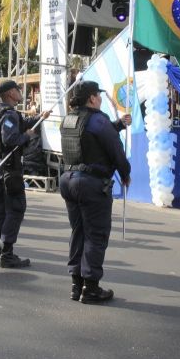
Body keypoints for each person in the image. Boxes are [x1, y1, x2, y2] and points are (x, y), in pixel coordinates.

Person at [60, 81, 131, 304]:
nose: (100, 99)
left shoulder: (69, 119)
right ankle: (91, 288)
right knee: (96, 235)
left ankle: (76, 284)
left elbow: (89, 139)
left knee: (78, 232)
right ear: (91, 98)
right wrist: (125, 172)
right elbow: (114, 149)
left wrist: (117, 124)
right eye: (98, 96)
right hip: (90, 182)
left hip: (68, 179)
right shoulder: (98, 119)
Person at [0, 80, 50, 268]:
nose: (21, 92)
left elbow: (20, 122)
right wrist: (28, 136)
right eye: (18, 89)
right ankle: (7, 253)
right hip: (9, 169)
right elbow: (10, 138)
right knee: (15, 208)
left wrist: (40, 117)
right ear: (10, 93)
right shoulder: (9, 114)